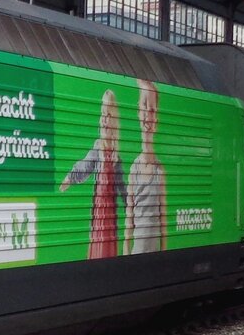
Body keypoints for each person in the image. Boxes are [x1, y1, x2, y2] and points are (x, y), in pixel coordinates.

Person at [60, 90, 126, 259]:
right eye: (103, 114)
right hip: (100, 212)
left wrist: (130, 206)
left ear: (114, 121)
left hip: (110, 215)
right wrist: (70, 177)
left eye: (108, 115)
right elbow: (85, 166)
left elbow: (122, 188)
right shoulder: (98, 147)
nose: (104, 119)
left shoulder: (116, 157)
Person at [125, 79, 167, 254]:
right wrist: (125, 251)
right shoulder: (134, 169)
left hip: (155, 251)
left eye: (152, 110)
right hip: (137, 250)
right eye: (144, 107)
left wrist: (164, 253)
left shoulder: (159, 171)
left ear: (156, 118)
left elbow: (163, 218)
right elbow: (129, 216)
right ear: (138, 112)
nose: (148, 116)